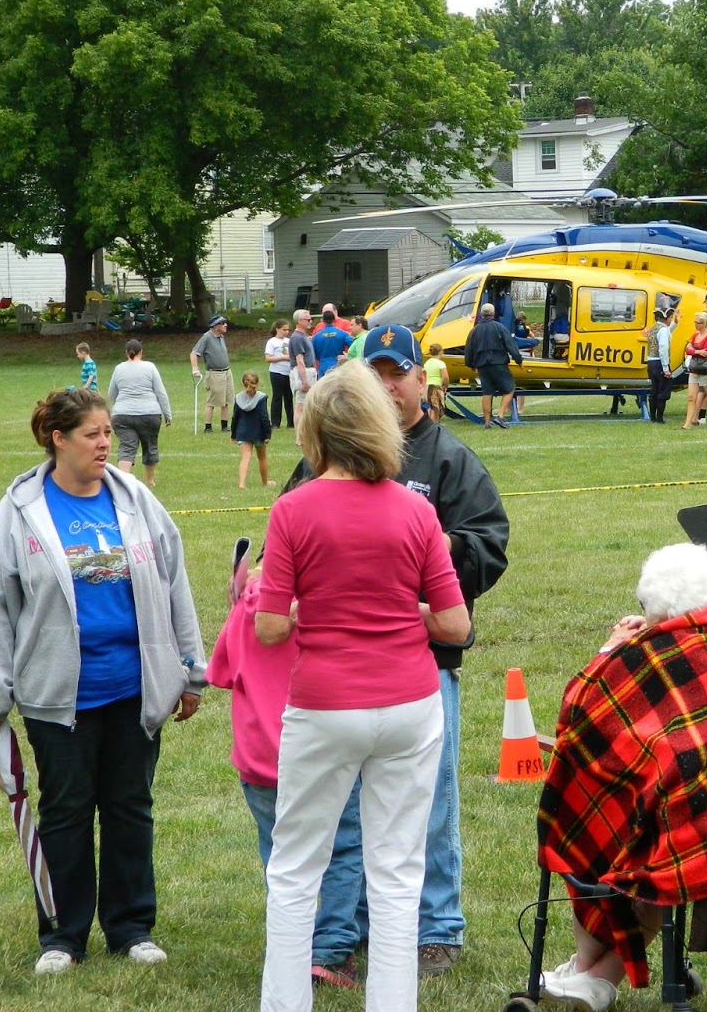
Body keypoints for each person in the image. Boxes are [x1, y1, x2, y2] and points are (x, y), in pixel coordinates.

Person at [281, 323, 511, 982]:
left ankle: (436, 929)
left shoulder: (447, 459)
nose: (386, 384)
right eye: (373, 373)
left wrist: (427, 561)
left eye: (397, 372)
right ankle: (342, 931)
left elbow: (489, 541)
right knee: (345, 815)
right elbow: (289, 543)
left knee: (428, 807)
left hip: (423, 665)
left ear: (420, 379)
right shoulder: (321, 464)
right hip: (336, 670)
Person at [0, 387, 206, 976]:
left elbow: (175, 585)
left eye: (107, 433)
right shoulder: (20, 510)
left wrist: (190, 671)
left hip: (135, 688)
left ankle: (131, 928)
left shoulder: (137, 501)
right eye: (93, 434)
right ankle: (63, 935)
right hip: (57, 697)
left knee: (130, 807)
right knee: (66, 811)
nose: (106, 444)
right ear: (58, 438)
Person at [256, 362, 471, 1012]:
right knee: (398, 871)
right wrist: (406, 612)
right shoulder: (415, 510)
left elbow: (268, 628)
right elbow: (455, 626)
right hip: (410, 703)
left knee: (296, 867)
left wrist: (304, 610)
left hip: (326, 704)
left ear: (314, 430)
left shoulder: (293, 510)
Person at [535, 543, 707, 1012]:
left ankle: (593, 973)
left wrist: (611, 650)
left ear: (666, 610)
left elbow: (578, 717)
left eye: (649, 611)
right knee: (646, 834)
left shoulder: (653, 658)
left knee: (597, 827)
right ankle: (590, 974)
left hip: (683, 834)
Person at [209, 548, 362, 992]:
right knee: (343, 848)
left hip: (260, 757)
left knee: (279, 855)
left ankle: (289, 944)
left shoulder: (248, 606)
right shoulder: (330, 605)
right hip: (324, 752)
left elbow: (221, 671)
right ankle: (331, 949)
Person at [107, 339, 172, 488]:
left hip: (122, 415)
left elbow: (111, 394)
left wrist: (113, 411)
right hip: (149, 414)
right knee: (150, 447)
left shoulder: (119, 369)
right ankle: (149, 481)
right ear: (141, 352)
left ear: (126, 353)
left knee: (126, 447)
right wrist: (168, 414)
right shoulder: (150, 367)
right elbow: (160, 393)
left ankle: (124, 482)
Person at [463, 302, 522, 428]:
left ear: (481, 314)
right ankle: (500, 416)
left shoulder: (474, 331)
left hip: (482, 366)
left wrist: (470, 364)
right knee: (509, 389)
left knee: (487, 392)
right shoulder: (499, 327)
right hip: (498, 363)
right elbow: (510, 344)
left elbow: (468, 349)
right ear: (493, 313)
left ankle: (487, 422)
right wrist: (518, 360)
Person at [189, 315, 233, 434]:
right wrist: (195, 368)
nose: (225, 325)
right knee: (212, 402)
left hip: (226, 372)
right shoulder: (207, 337)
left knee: (226, 401)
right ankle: (208, 427)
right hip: (215, 374)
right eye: (222, 323)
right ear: (216, 326)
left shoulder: (221, 337)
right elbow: (194, 353)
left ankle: (225, 426)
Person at [233, 371, 274, 489]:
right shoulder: (261, 398)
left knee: (245, 458)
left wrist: (234, 434)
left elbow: (235, 417)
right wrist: (267, 434)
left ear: (243, 384)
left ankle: (242, 483)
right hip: (258, 433)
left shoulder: (238, 398)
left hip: (243, 432)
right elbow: (264, 417)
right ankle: (265, 482)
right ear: (257, 383)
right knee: (262, 457)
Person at [680, 311, 707, 428]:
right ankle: (687, 423)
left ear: (705, 323)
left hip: (705, 370)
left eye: (699, 323)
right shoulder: (695, 335)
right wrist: (697, 351)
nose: (696, 325)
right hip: (694, 369)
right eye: (695, 322)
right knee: (691, 397)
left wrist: (694, 350)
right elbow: (687, 349)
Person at [644, 306, 676, 424]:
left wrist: (675, 324)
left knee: (654, 389)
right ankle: (660, 418)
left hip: (651, 362)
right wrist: (666, 368)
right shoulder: (663, 330)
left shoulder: (654, 328)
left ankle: (652, 416)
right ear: (667, 318)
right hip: (660, 362)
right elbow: (663, 348)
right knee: (663, 390)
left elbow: (666, 332)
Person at [264, 319, 294, 429]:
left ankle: (291, 422)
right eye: (283, 329)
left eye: (288, 330)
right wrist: (283, 357)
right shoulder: (272, 342)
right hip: (277, 372)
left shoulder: (290, 341)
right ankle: (275, 423)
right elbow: (268, 358)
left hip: (289, 372)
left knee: (289, 397)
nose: (286, 332)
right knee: (277, 397)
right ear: (277, 329)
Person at [288, 309, 315, 420]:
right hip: (303, 373)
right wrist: (304, 381)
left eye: (311, 319)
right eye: (307, 319)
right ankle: (299, 434)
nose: (310, 321)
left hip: (309, 372)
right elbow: (299, 360)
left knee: (307, 405)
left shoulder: (303, 336)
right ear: (299, 321)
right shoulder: (297, 337)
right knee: (300, 406)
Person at [311, 307, 353, 378]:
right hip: (338, 365)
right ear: (334, 320)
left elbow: (311, 353)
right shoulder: (342, 333)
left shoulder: (316, 337)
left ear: (323, 320)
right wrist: (348, 355)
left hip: (323, 366)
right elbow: (353, 344)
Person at [423, 342, 449, 424]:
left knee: (430, 407)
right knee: (436, 408)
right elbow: (445, 377)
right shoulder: (440, 363)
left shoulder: (427, 363)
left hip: (426, 387)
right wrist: (446, 386)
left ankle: (429, 422)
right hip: (435, 387)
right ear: (440, 352)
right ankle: (434, 424)